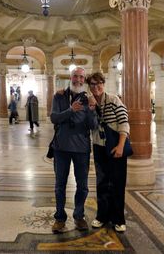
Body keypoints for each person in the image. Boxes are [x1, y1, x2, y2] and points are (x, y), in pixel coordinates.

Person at [50, 67, 98, 233]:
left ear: (84, 80)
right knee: (60, 185)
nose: (78, 80)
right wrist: (71, 110)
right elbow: (54, 118)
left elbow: (93, 126)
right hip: (61, 148)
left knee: (83, 186)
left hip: (81, 149)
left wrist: (92, 110)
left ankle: (79, 216)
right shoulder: (59, 96)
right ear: (70, 78)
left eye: (81, 77)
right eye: (75, 76)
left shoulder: (88, 99)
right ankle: (60, 218)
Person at [87, 72, 130, 233]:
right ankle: (102, 216)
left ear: (103, 84)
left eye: (99, 83)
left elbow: (124, 122)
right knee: (102, 183)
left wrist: (120, 145)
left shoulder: (113, 100)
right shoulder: (89, 103)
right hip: (99, 147)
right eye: (92, 84)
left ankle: (119, 219)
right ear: (89, 86)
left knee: (117, 183)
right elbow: (90, 125)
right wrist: (91, 109)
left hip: (115, 145)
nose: (96, 87)